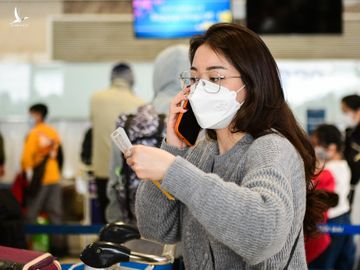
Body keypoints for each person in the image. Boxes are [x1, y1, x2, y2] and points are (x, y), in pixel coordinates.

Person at [125, 23, 331, 269]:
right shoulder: (202, 151)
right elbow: (157, 229)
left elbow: (262, 233)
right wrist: (172, 147)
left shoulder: (272, 149)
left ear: (251, 82)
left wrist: (173, 170)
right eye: (194, 78)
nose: (200, 88)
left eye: (215, 78)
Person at [106, 45, 189, 224]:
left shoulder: (128, 119)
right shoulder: (197, 119)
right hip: (185, 225)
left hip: (136, 223)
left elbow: (115, 177)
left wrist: (114, 221)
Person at [90, 63, 144, 223]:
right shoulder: (139, 102)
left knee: (105, 222)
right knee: (126, 225)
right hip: (125, 173)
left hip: (101, 170)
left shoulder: (95, 98)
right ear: (131, 78)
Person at [308, 124, 355, 269]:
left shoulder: (328, 171)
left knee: (324, 264)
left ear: (332, 147)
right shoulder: (343, 164)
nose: (315, 149)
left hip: (330, 223)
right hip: (345, 219)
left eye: (317, 144)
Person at [21, 103, 64, 254]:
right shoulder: (53, 132)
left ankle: (26, 248)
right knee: (55, 213)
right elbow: (59, 155)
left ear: (37, 115)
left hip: (40, 179)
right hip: (55, 177)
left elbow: (27, 158)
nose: (29, 118)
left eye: (31, 114)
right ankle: (58, 249)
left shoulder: (34, 133)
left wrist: (26, 173)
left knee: (32, 213)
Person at [341, 94, 360, 205]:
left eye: (346, 111)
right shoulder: (349, 133)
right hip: (351, 183)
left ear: (357, 110)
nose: (345, 116)